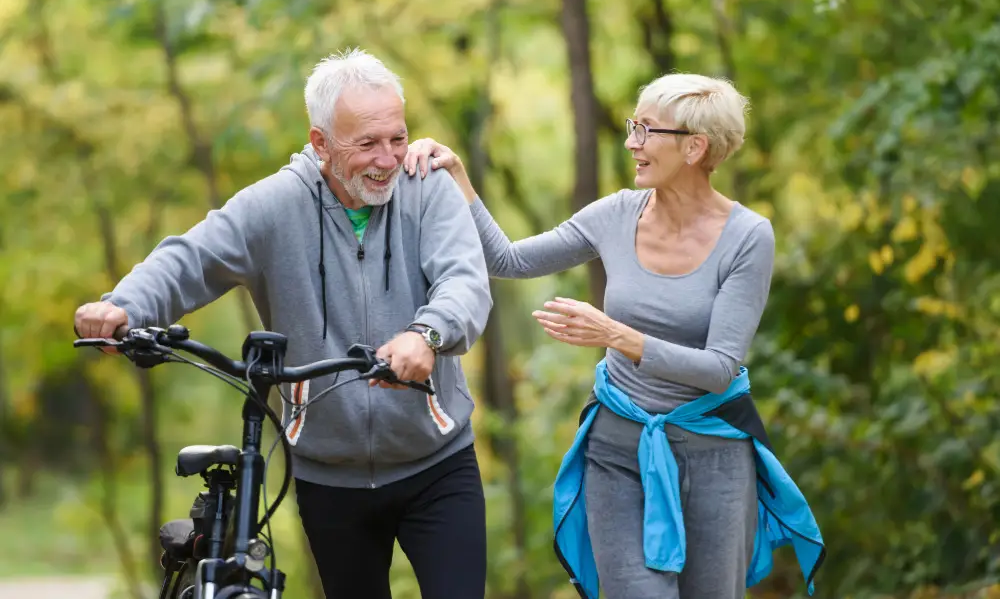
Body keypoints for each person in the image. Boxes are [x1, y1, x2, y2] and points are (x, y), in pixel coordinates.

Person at [74, 49, 493, 599]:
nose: (390, 158)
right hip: (328, 474)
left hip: (436, 463)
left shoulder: (428, 188)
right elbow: (191, 258)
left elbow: (466, 281)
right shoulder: (277, 205)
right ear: (321, 143)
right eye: (367, 143)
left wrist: (427, 334)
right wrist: (125, 306)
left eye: (397, 137)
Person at [404, 73, 825, 599]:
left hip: (714, 456)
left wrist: (618, 335)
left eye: (646, 130)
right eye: (633, 127)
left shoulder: (747, 237)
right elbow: (507, 259)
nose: (631, 142)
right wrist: (458, 177)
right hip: (617, 451)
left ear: (695, 147)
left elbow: (720, 368)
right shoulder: (616, 214)